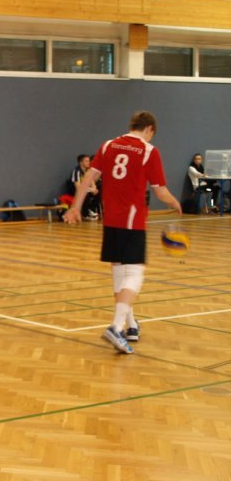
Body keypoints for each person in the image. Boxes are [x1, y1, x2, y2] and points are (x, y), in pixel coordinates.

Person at [64, 111, 181, 354]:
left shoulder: (108, 146)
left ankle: (130, 324)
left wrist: (75, 207)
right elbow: (160, 190)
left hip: (111, 219)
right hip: (132, 219)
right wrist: (175, 203)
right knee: (135, 274)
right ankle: (116, 327)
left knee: (119, 273)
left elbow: (87, 179)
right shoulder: (149, 151)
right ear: (149, 129)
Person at [71, 154, 100, 220]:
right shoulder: (76, 171)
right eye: (86, 161)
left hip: (86, 189)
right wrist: (91, 190)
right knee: (84, 194)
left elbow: (92, 182)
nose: (89, 162)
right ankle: (85, 214)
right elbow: (78, 188)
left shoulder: (88, 171)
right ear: (81, 162)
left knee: (98, 192)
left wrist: (94, 188)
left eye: (89, 161)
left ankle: (91, 210)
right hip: (76, 191)